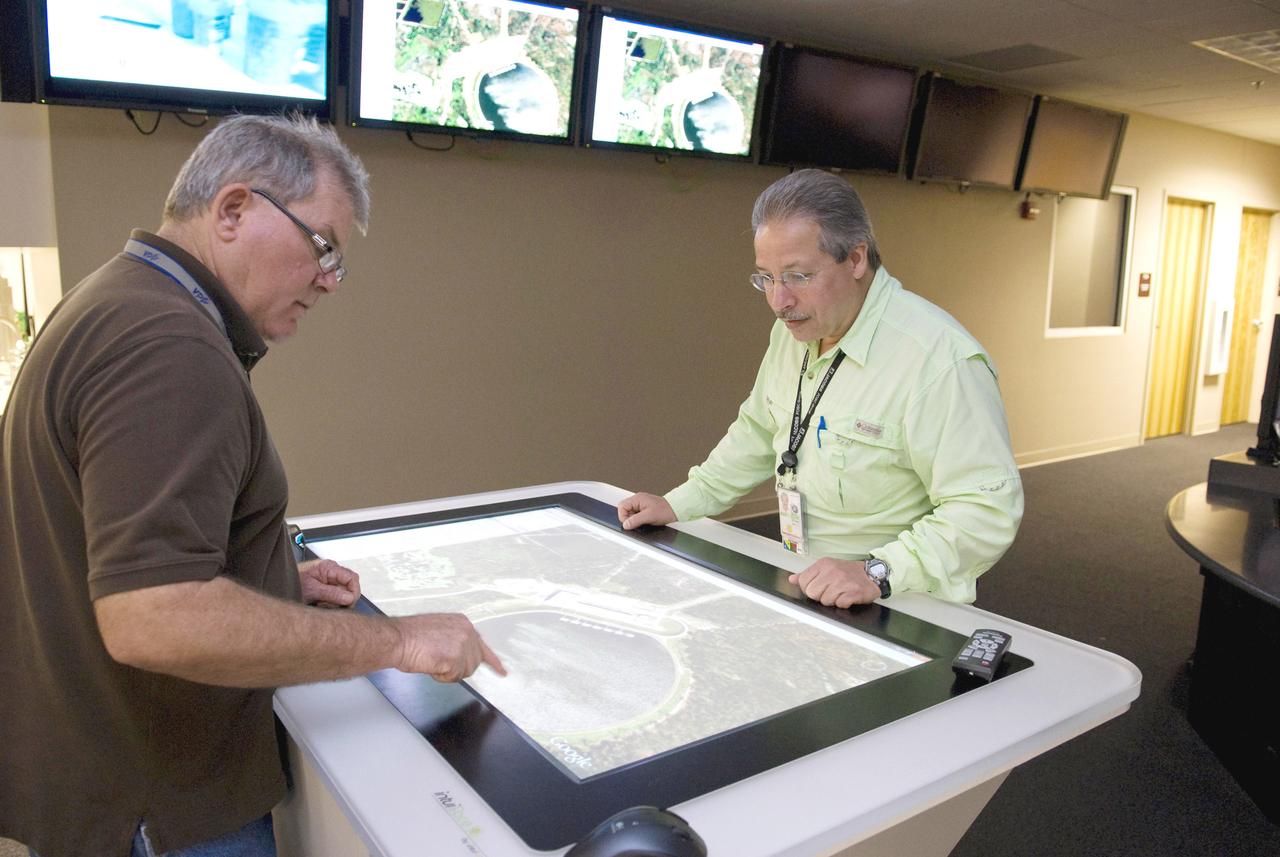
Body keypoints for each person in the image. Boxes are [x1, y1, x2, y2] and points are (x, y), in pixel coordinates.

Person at [0, 114, 505, 857]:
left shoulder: (109, 300)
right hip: (162, 806)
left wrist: (264, 577)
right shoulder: (169, 346)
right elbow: (153, 616)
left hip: (97, 774)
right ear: (234, 209)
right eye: (324, 245)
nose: (331, 280)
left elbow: (111, 544)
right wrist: (397, 638)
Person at [618, 169, 1023, 608]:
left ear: (855, 259)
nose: (779, 302)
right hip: (805, 585)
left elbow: (986, 510)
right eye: (766, 278)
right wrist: (680, 503)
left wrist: (876, 572)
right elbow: (757, 431)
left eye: (798, 276)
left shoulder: (939, 360)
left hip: (898, 602)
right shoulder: (795, 334)